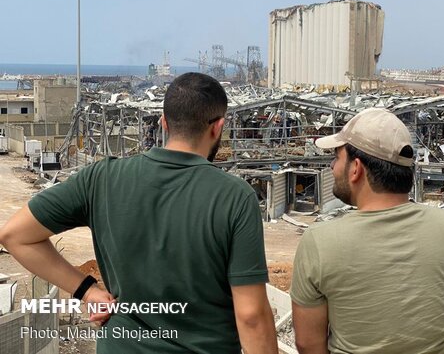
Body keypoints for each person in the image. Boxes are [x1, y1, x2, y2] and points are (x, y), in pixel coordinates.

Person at [0, 73, 278, 354]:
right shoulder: (235, 196)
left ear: (164, 123)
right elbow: (251, 316)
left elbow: (15, 236)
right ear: (218, 127)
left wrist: (87, 290)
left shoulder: (102, 178)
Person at [291, 107, 444, 354]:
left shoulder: (319, 241)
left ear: (356, 168)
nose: (331, 165)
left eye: (337, 157)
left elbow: (309, 344)